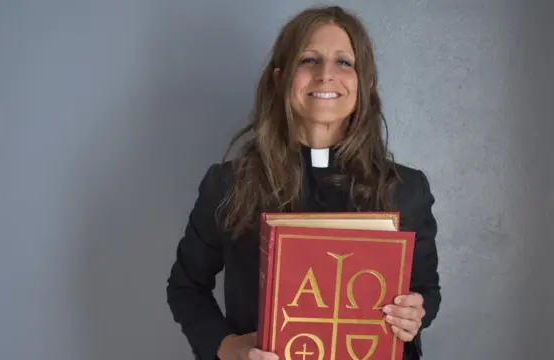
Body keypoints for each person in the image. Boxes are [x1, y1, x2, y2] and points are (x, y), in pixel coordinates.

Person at [166, 5, 441, 360]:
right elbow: (186, 287)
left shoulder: (406, 188)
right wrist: (228, 348)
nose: (326, 74)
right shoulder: (229, 184)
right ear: (281, 78)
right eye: (309, 60)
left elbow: (425, 291)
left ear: (365, 84)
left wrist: (415, 312)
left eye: (344, 62)